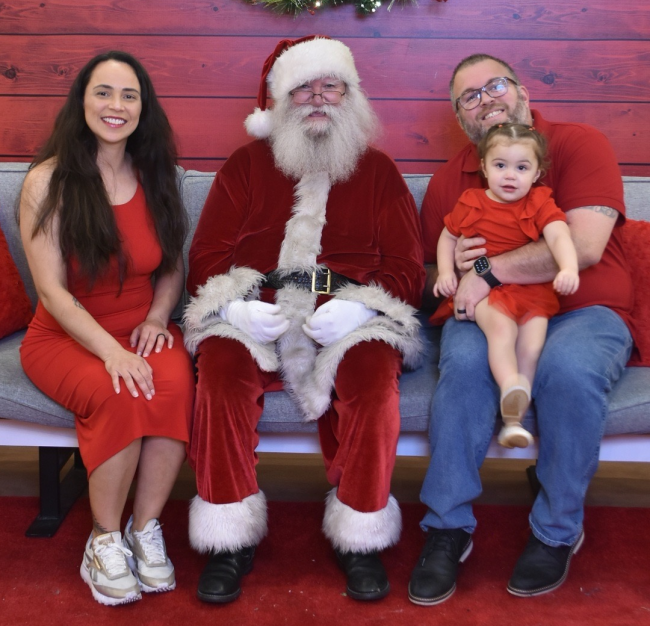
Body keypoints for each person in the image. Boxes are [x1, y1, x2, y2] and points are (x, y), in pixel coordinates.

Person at [183, 35, 425, 604]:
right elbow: (207, 257)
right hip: (259, 311)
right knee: (219, 371)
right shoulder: (243, 168)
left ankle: (359, 537)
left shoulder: (379, 172)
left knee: (371, 383)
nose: (318, 98)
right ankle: (228, 537)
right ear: (280, 101)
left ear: (350, 94)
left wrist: (362, 305)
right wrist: (236, 303)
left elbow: (406, 268)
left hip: (351, 316)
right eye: (303, 88)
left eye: (330, 86)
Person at [409, 54, 634, 605]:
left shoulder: (580, 143)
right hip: (490, 311)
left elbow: (582, 247)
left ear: (522, 92)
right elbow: (424, 274)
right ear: (463, 120)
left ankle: (555, 530)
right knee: (463, 368)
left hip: (584, 307)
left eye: (495, 86)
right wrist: (448, 269)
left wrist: (483, 268)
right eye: (470, 96)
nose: (486, 99)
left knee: (571, 370)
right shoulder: (449, 182)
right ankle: (447, 527)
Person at [19, 51, 195, 607]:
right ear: (82, 100)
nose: (115, 106)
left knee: (174, 381)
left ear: (143, 109)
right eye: (103, 92)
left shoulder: (156, 174)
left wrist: (155, 318)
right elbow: (52, 292)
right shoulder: (48, 182)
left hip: (140, 324)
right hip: (66, 334)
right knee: (120, 389)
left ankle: (144, 529)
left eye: (128, 96)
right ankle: (103, 538)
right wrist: (111, 354)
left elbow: (172, 266)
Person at [432, 123, 579, 449]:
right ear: (484, 167)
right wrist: (445, 273)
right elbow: (448, 236)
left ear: (537, 172)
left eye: (522, 167)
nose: (510, 175)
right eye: (501, 165)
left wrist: (568, 266)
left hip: (533, 291)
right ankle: (510, 381)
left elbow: (559, 235)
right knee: (502, 332)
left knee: (532, 346)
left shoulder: (540, 202)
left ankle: (513, 421)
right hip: (488, 291)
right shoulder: (471, 201)